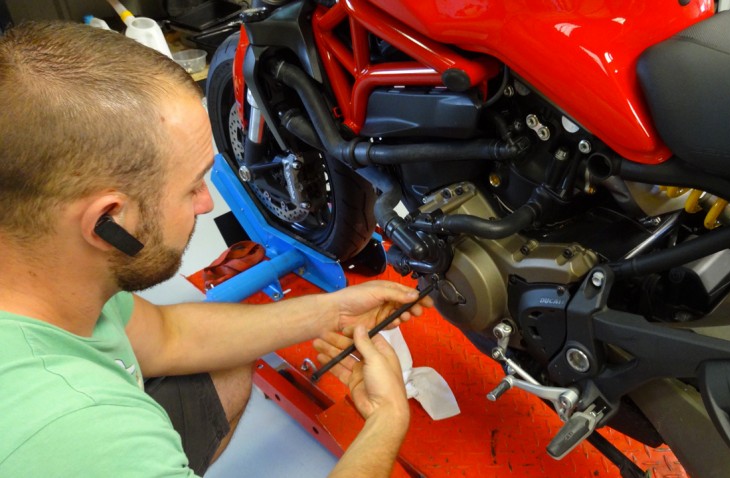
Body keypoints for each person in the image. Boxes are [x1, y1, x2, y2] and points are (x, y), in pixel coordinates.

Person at [0, 21, 431, 477]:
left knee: (226, 363)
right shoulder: (78, 429)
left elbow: (168, 335)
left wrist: (336, 311)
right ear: (108, 220)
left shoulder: (47, 273)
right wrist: (387, 419)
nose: (207, 203)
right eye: (191, 188)